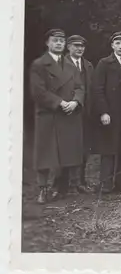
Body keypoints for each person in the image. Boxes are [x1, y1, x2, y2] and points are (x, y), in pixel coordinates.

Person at [30, 29, 85, 203]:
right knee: (45, 154)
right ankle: (43, 189)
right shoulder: (39, 64)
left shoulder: (70, 65)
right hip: (49, 114)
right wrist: (60, 102)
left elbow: (80, 87)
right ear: (47, 43)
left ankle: (61, 188)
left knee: (66, 152)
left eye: (61, 41)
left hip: (68, 113)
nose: (59, 43)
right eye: (55, 40)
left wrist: (76, 102)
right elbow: (38, 92)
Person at [92, 31, 121, 194]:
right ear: (112, 46)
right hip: (110, 112)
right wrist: (103, 111)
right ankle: (105, 183)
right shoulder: (104, 63)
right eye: (117, 43)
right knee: (108, 148)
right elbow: (98, 89)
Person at [63, 35, 94, 189]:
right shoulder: (60, 64)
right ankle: (60, 185)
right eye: (75, 45)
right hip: (66, 112)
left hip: (84, 113)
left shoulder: (88, 65)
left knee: (83, 148)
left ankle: (80, 181)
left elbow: (91, 89)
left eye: (82, 46)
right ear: (68, 47)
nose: (79, 48)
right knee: (64, 148)